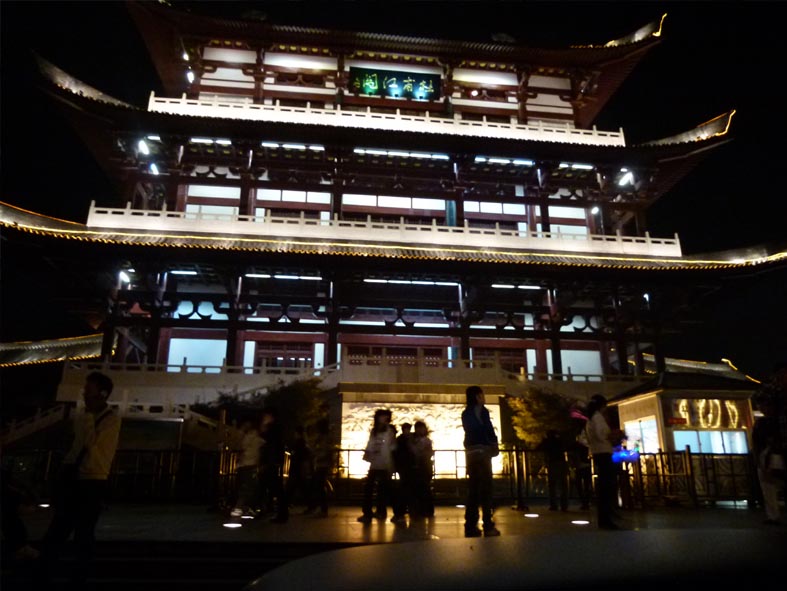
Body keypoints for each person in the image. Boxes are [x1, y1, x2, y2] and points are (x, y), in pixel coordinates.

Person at [38, 371, 122, 586]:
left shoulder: (110, 419)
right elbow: (76, 449)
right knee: (60, 529)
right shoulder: (84, 415)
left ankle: (77, 575)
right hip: (75, 478)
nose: (84, 394)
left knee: (82, 532)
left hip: (93, 479)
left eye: (89, 390)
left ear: (102, 394)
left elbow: (91, 445)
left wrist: (88, 419)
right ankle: (45, 572)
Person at [461, 385, 500, 537]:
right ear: (477, 397)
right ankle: (486, 525)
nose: (483, 398)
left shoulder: (468, 413)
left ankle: (471, 525)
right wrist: (493, 443)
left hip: (473, 453)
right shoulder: (480, 411)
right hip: (481, 451)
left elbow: (471, 431)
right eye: (481, 395)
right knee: (484, 489)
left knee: (475, 490)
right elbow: (485, 429)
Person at [584, 394, 622, 529]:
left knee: (603, 486)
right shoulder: (598, 417)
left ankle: (604, 517)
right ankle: (606, 518)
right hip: (604, 452)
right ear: (602, 405)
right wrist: (614, 436)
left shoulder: (590, 418)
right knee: (607, 486)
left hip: (596, 452)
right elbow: (601, 434)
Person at [357, 408, 397, 524]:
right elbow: (370, 444)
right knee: (369, 488)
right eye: (382, 416)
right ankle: (368, 513)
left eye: (385, 416)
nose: (384, 418)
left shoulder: (389, 431)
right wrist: (368, 454)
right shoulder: (374, 431)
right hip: (375, 463)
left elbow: (392, 446)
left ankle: (382, 511)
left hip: (385, 463)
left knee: (383, 489)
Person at [752, 398, 784, 525]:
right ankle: (773, 515)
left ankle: (773, 515)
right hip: (771, 454)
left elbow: (756, 441)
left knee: (768, 486)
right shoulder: (775, 422)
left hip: (768, 455)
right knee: (770, 485)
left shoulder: (762, 423)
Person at [258, 407, 288, 523]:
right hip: (272, 461)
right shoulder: (275, 428)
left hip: (271, 461)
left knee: (275, 487)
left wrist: (270, 461)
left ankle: (280, 513)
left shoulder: (273, 429)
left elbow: (269, 444)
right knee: (271, 486)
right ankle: (274, 511)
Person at [231, 419, 264, 517]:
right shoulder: (255, 437)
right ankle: (240, 508)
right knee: (249, 487)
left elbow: (239, 445)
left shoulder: (246, 436)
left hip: (243, 465)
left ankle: (240, 507)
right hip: (249, 465)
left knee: (244, 487)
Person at [304, 418, 333, 517]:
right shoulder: (323, 437)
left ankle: (322, 509)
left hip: (322, 464)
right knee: (318, 486)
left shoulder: (324, 438)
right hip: (321, 464)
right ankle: (321, 508)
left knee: (318, 486)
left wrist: (315, 453)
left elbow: (324, 451)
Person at [537, 429, 569, 511]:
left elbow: (538, 448)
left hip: (552, 463)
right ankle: (564, 505)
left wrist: (543, 440)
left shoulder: (547, 442)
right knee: (563, 485)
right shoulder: (560, 441)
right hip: (561, 463)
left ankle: (554, 505)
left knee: (552, 485)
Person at [410, 420, 435, 518]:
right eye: (418, 428)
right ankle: (421, 509)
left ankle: (427, 510)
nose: (420, 430)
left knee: (425, 488)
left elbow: (428, 453)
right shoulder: (416, 441)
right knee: (419, 489)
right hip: (419, 467)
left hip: (424, 467)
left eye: (421, 428)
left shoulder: (426, 441)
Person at [391, 422, 414, 523]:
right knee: (405, 488)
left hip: (407, 466)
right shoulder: (402, 439)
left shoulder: (405, 439)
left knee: (406, 488)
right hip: (404, 466)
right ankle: (403, 510)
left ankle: (404, 510)